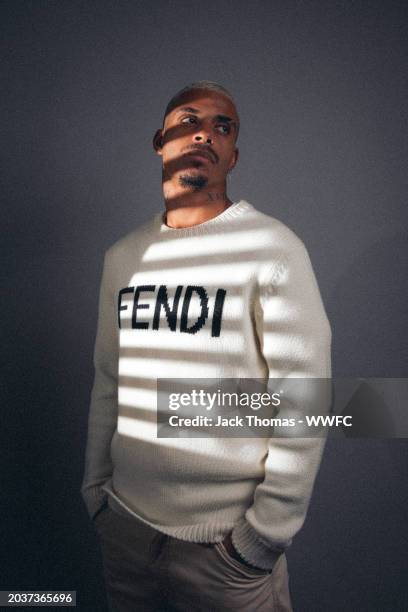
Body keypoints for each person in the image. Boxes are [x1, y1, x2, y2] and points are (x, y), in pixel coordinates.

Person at [81, 80, 332, 611]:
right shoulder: (123, 257)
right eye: (189, 119)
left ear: (232, 156)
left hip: (225, 556)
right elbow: (110, 381)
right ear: (160, 141)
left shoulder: (272, 248)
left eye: (223, 127)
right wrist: (96, 492)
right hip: (125, 533)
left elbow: (306, 399)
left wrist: (260, 541)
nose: (205, 133)